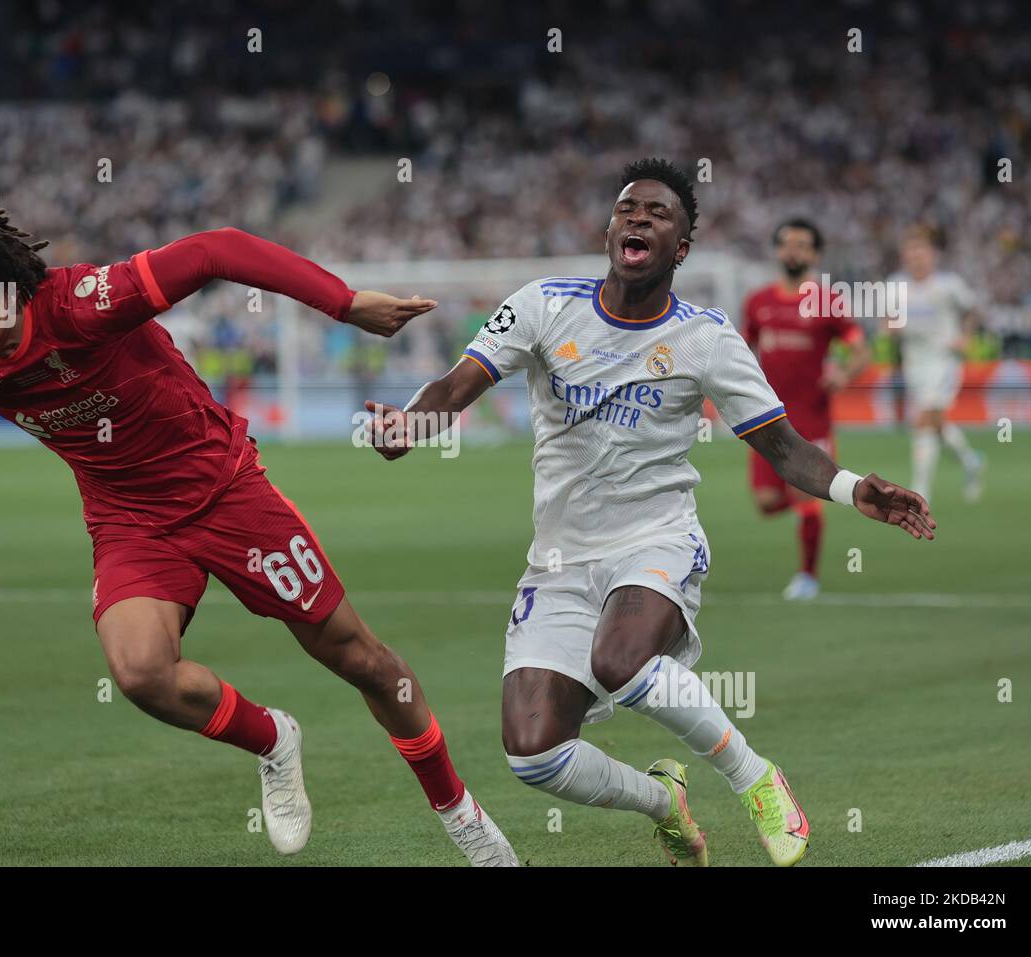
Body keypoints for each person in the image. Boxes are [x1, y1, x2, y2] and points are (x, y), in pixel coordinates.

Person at [0, 198, 518, 866]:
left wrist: (344, 301)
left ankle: (461, 814)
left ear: (5, 301)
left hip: (226, 492)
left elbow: (217, 248)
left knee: (358, 657)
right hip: (129, 522)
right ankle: (273, 738)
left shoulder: (83, 304)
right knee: (140, 673)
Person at [365, 159, 936, 867]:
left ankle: (754, 776)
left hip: (655, 538)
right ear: (612, 230)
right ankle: (664, 801)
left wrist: (856, 489)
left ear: (681, 248)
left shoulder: (706, 338)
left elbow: (784, 448)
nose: (637, 218)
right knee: (533, 754)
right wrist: (408, 428)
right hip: (559, 556)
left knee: (622, 657)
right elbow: (455, 387)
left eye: (658, 213)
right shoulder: (544, 304)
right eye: (627, 208)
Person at [742, 219, 870, 600]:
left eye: (802, 245)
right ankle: (811, 504)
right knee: (766, 504)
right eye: (786, 243)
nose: (793, 250)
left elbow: (861, 350)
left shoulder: (827, 301)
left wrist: (843, 373)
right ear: (778, 250)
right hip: (766, 418)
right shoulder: (758, 302)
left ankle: (807, 576)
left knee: (806, 495)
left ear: (815, 254)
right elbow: (741, 348)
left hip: (812, 416)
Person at [890, 226, 985, 502]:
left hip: (943, 360)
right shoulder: (895, 284)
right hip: (914, 363)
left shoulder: (949, 284)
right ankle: (971, 462)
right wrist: (891, 328)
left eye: (921, 250)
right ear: (904, 255)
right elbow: (887, 320)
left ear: (932, 255)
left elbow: (972, 310)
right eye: (911, 251)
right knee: (935, 422)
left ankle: (920, 490)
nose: (916, 257)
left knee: (925, 418)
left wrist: (965, 337)